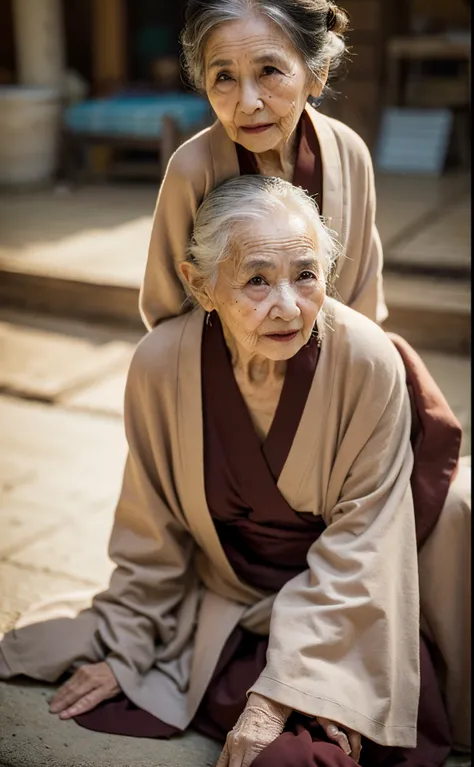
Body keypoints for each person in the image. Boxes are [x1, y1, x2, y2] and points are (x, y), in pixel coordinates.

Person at [0, 176, 469, 766]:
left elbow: (365, 546)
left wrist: (287, 691)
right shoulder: (160, 365)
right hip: (230, 608)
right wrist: (130, 646)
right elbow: (152, 526)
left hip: (343, 619)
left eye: (306, 274)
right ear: (201, 285)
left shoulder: (367, 360)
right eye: (255, 279)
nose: (288, 306)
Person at [139, 0, 387, 330]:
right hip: (227, 375)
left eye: (268, 70)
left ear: (315, 74)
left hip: (335, 372)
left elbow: (363, 306)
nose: (248, 102)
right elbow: (167, 315)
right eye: (224, 77)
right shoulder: (192, 170)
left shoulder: (348, 154)